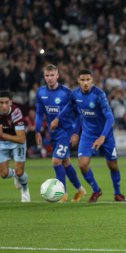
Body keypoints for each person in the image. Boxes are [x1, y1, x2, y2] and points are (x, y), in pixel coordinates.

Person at [50, 69, 126, 203]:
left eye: (88, 80)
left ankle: (117, 193)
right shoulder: (75, 94)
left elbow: (110, 118)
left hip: (105, 133)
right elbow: (68, 107)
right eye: (82, 80)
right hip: (88, 133)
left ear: (92, 80)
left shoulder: (99, 94)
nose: (85, 83)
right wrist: (57, 119)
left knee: (113, 165)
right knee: (83, 164)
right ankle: (97, 190)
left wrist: (102, 137)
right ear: (78, 81)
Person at [36, 64, 86, 202]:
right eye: (47, 75)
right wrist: (37, 130)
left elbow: (79, 114)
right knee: (65, 162)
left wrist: (75, 132)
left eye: (52, 75)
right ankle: (80, 189)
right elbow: (39, 113)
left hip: (66, 131)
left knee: (56, 161)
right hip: (53, 133)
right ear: (44, 77)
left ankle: (62, 194)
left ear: (57, 76)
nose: (50, 78)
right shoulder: (41, 92)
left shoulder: (66, 93)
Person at [0, 90, 30, 202]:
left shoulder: (16, 112)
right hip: (1, 143)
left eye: (6, 102)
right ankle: (14, 175)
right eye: (1, 102)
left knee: (20, 172)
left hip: (17, 142)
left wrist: (3, 134)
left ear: (10, 102)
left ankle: (25, 190)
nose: (3, 106)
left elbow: (21, 139)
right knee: (3, 174)